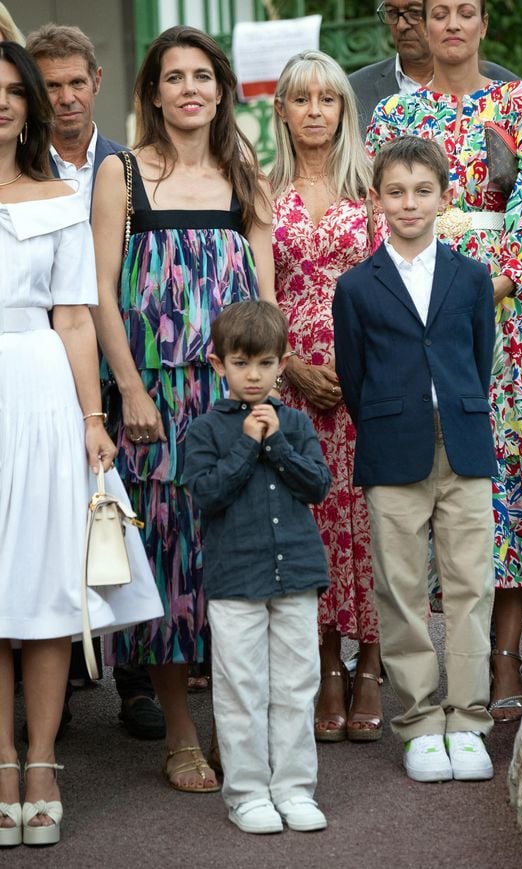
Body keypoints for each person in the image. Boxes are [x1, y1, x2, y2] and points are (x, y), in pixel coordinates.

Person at [365, 0, 522, 723]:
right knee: (430, 476)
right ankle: (437, 662)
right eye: (439, 12)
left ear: (484, 24)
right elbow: (380, 213)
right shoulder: (396, 115)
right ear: (420, 25)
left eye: (466, 11)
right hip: (420, 315)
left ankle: (504, 653)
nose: (452, 23)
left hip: (504, 316)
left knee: (509, 475)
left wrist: (493, 282)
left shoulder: (520, 101)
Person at [91, 25, 276, 793]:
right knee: (169, 561)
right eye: (175, 77)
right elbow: (99, 291)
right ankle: (177, 731)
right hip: (155, 404)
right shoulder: (122, 175)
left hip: (230, 403)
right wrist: (129, 387)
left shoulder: (245, 174)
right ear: (154, 92)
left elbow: (266, 305)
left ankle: (237, 723)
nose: (190, 88)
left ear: (222, 88)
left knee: (230, 560)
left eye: (203, 74)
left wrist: (268, 394)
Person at [0, 41, 162, 847]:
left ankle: (40, 760)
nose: (1, 103)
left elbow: (74, 318)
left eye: (10, 91)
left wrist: (93, 418)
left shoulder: (59, 196)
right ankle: (0, 760)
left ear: (27, 104)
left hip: (39, 396)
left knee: (46, 585)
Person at [333, 136, 496, 782]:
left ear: (444, 197)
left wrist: (455, 411)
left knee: (468, 585)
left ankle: (468, 719)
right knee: (401, 589)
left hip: (463, 443)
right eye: (395, 192)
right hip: (390, 446)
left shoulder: (472, 276)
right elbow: (353, 374)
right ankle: (422, 722)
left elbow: (478, 360)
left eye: (422, 191)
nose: (409, 203)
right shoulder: (356, 287)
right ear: (376, 199)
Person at [271, 50, 387, 743]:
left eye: (329, 99)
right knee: (310, 521)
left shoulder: (371, 186)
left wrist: (361, 366)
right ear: (280, 109)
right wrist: (286, 363)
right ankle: (325, 665)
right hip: (289, 381)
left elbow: (387, 281)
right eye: (301, 99)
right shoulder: (259, 186)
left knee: (368, 520)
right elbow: (257, 289)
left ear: (345, 109)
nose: (315, 111)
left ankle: (369, 661)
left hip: (362, 377)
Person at [184, 300, 330, 834]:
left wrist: (279, 446)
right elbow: (207, 494)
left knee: (295, 686)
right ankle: (246, 793)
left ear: (282, 363)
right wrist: (248, 445)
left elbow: (317, 485)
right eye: (241, 363)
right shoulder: (205, 431)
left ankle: (294, 788)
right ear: (219, 364)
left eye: (265, 363)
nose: (254, 375)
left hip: (296, 576)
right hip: (235, 580)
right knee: (241, 687)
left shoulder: (293, 423)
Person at [348, 0, 516, 138]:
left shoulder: (512, 93)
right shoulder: (354, 90)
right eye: (392, 13)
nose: (401, 25)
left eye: (414, 13)